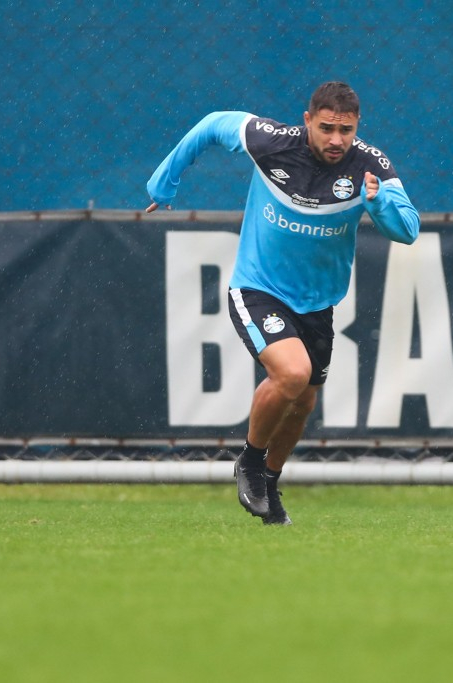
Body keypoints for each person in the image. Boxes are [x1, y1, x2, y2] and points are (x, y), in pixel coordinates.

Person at [145, 81, 419, 525]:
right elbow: (214, 124)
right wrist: (165, 183)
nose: (336, 140)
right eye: (327, 127)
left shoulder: (370, 166)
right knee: (293, 374)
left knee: (304, 403)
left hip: (317, 303)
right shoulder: (270, 142)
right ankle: (251, 462)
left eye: (345, 130)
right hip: (257, 288)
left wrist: (380, 199)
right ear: (307, 120)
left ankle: (269, 485)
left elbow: (407, 229)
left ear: (356, 127)